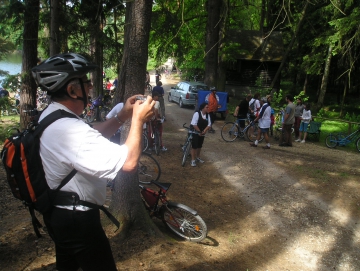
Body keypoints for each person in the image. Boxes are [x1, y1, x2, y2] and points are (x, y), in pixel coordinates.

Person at [31, 52, 155, 271]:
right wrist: (138, 120)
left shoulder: (53, 115)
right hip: (77, 221)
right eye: (86, 82)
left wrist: (123, 116)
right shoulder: (68, 129)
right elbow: (128, 163)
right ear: (72, 90)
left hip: (60, 214)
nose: (90, 87)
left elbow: (91, 133)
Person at [190, 102, 211, 167]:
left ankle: (198, 157)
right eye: (206, 107)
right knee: (194, 146)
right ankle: (193, 160)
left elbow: (209, 124)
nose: (208, 108)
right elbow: (194, 124)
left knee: (199, 146)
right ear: (203, 108)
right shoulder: (197, 114)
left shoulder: (208, 115)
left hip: (202, 132)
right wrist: (199, 131)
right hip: (195, 132)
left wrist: (204, 131)